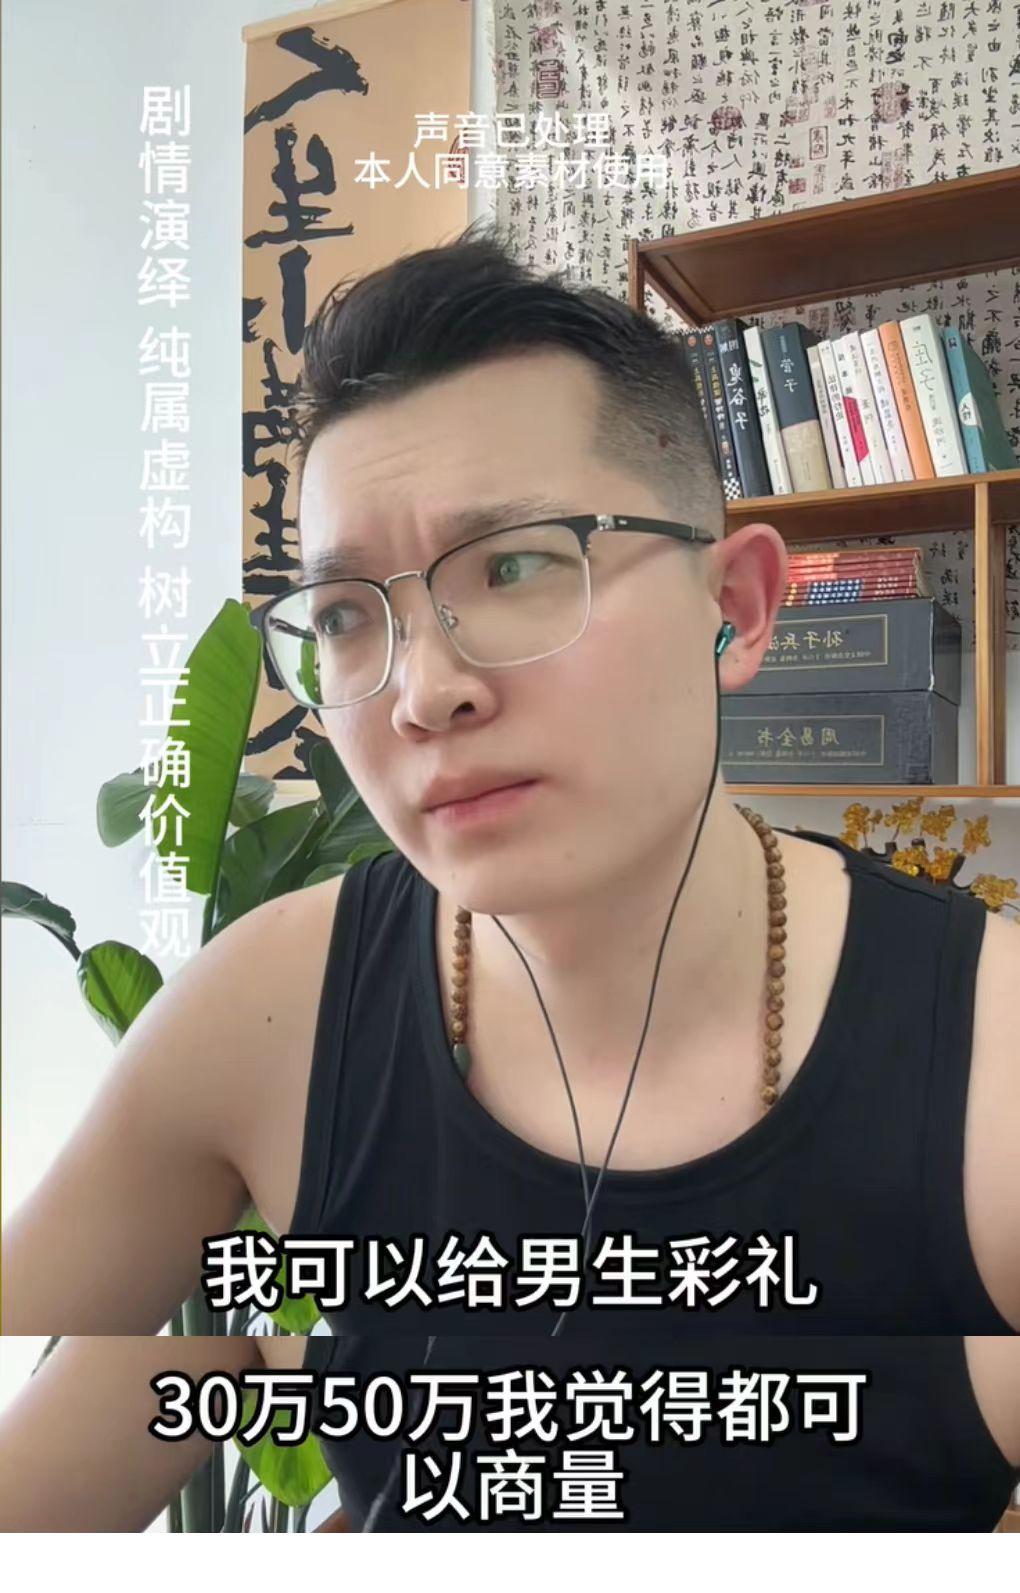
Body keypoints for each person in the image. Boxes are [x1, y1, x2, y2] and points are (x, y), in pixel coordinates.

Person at [2, 225, 1018, 1531]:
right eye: (349, 616)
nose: (424, 692)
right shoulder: (269, 1011)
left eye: (519, 564)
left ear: (738, 608)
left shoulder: (983, 1062)